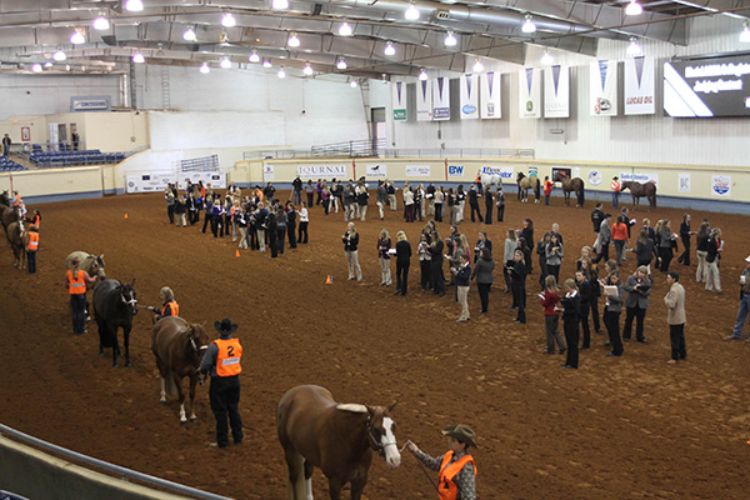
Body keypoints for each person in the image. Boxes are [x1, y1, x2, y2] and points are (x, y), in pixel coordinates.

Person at [199, 318, 244, 449]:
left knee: (220, 412)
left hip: (220, 382)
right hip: (235, 380)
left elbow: (205, 364)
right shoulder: (237, 345)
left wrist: (203, 371)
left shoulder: (215, 346)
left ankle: (222, 441)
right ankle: (238, 436)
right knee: (233, 409)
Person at [405, 424, 477, 500]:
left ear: (463, 444)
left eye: (453, 440)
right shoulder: (449, 455)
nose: (449, 442)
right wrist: (416, 451)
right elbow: (433, 464)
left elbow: (469, 496)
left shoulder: (466, 466)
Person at [65, 259, 96, 335]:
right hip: (81, 295)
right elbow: (90, 280)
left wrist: (72, 286)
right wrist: (95, 277)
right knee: (81, 312)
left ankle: (75, 329)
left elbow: (66, 284)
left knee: (75, 313)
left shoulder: (68, 273)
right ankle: (81, 330)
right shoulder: (83, 273)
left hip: (73, 295)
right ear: (79, 264)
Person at [623, 266, 651, 343]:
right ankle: (626, 335)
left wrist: (640, 291)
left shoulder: (647, 281)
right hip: (631, 303)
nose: (641, 274)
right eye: (640, 272)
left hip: (641, 305)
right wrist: (633, 288)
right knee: (629, 319)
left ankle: (640, 336)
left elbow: (648, 292)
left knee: (640, 321)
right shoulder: (630, 278)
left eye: (643, 273)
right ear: (637, 272)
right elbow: (626, 287)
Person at [724, 255, 750, 341]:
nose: (747, 264)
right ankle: (736, 334)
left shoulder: (745, 271)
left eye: (748, 262)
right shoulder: (745, 271)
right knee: (740, 315)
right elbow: (741, 282)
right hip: (744, 295)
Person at [664, 272, 687, 364]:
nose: (667, 280)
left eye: (668, 278)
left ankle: (675, 357)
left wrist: (665, 300)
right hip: (681, 316)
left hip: (675, 317)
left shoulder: (673, 290)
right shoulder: (681, 287)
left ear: (674, 279)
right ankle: (682, 354)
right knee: (681, 336)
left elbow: (671, 305)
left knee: (674, 337)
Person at [540, 275, 566, 355]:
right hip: (556, 312)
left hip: (549, 313)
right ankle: (562, 346)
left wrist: (541, 299)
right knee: (555, 330)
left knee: (550, 332)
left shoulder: (548, 293)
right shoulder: (556, 291)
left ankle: (550, 349)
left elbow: (545, 303)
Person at [601, 271, 624, 356]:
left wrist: (609, 295)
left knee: (615, 330)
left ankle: (617, 349)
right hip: (609, 308)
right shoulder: (611, 284)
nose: (613, 280)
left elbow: (620, 299)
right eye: (612, 278)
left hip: (615, 310)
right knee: (610, 326)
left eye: (614, 278)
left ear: (618, 278)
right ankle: (615, 345)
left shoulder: (620, 287)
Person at [560, 278, 581, 369]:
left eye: (566, 287)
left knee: (573, 343)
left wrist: (564, 310)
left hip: (573, 322)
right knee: (569, 342)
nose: (565, 289)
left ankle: (574, 363)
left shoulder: (576, 297)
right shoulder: (568, 295)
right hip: (568, 321)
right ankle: (568, 362)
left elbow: (576, 311)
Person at [472, 248, 494, 314]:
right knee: (486, 294)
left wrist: (471, 277)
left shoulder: (480, 261)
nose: (480, 253)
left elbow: (475, 270)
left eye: (481, 252)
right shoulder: (491, 261)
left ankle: (484, 309)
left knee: (482, 295)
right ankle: (485, 307)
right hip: (489, 280)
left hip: (481, 280)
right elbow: (492, 268)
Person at [507, 249, 527, 323]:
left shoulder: (521, 265)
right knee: (518, 302)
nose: (515, 257)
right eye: (515, 255)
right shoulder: (517, 264)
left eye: (517, 255)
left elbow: (519, 276)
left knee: (520, 303)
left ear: (521, 257)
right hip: (516, 285)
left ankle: (522, 319)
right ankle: (519, 317)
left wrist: (512, 273)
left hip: (519, 286)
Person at [575, 270, 592, 350]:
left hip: (584, 307)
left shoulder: (586, 284)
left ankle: (586, 344)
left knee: (585, 325)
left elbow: (587, 296)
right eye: (577, 276)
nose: (577, 277)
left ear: (584, 276)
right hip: (579, 307)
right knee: (578, 325)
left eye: (579, 275)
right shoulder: (579, 284)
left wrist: (578, 296)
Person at [704, 228, 722, 293]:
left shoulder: (718, 240)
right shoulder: (711, 241)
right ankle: (718, 288)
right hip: (711, 259)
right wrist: (717, 250)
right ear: (717, 234)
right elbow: (709, 250)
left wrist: (718, 250)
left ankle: (708, 287)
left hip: (715, 258)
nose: (721, 234)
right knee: (716, 273)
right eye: (720, 232)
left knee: (710, 273)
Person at [395, 231, 412, 296]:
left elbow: (397, 254)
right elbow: (410, 253)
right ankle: (404, 290)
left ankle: (398, 287)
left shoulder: (398, 244)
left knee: (398, 274)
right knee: (405, 275)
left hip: (399, 261)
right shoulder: (408, 243)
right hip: (406, 261)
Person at [430, 230, 445, 296]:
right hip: (434, 259)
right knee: (434, 274)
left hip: (438, 260)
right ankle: (436, 289)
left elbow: (437, 251)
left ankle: (442, 290)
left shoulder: (440, 243)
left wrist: (429, 248)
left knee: (438, 275)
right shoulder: (434, 242)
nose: (431, 237)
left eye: (432, 235)